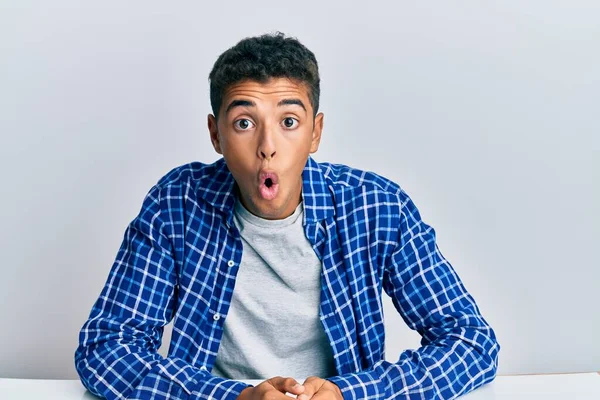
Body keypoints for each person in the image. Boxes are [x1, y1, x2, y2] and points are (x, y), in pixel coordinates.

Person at [75, 32, 499, 400]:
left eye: (289, 121)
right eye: (244, 123)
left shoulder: (376, 207)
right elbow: (106, 348)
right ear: (215, 134)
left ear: (315, 133)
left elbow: (470, 341)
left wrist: (350, 393)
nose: (267, 146)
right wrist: (234, 396)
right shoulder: (177, 204)